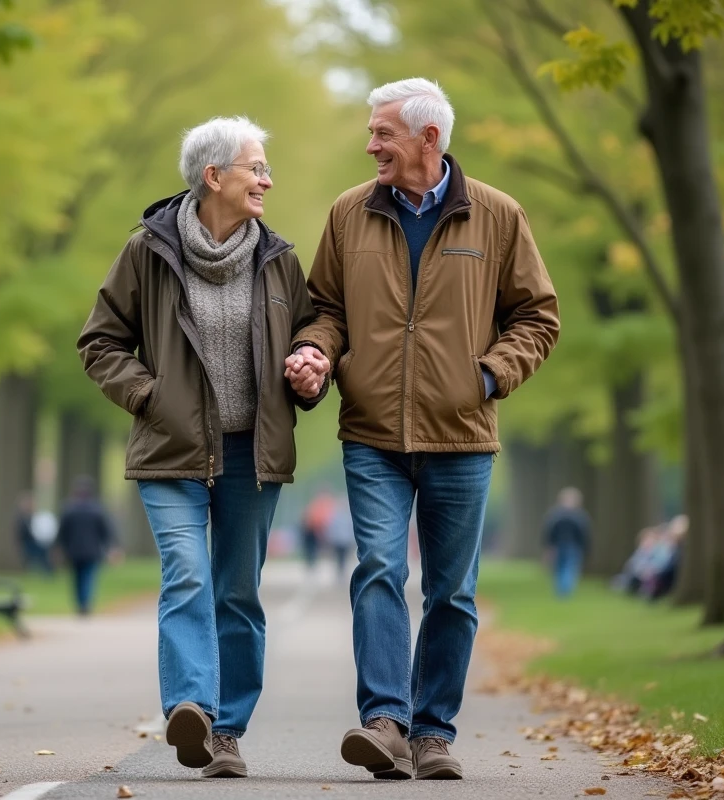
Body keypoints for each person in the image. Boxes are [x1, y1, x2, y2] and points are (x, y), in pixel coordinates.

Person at [285, 78, 560, 780]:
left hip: (462, 434)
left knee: (451, 591)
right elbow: (325, 307)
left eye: (383, 133)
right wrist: (317, 350)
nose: (370, 143)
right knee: (377, 567)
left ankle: (433, 732)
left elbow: (538, 316)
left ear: (428, 138)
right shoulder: (349, 213)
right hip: (372, 431)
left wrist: (489, 375)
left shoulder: (498, 216)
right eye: (371, 132)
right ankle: (384, 721)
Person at [78, 116, 322, 779]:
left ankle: (228, 732)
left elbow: (310, 337)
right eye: (256, 168)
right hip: (172, 450)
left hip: (252, 451)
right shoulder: (148, 252)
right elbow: (100, 343)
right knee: (186, 573)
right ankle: (191, 705)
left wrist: (310, 366)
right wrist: (151, 397)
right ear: (214, 177)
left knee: (237, 591)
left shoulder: (279, 261)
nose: (267, 180)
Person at [55, 477, 116, 616]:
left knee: (76, 578)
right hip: (92, 551)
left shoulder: (68, 510)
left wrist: (58, 548)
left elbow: (61, 532)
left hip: (73, 551)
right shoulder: (97, 510)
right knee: (88, 578)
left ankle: (80, 603)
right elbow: (106, 531)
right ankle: (85, 602)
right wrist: (111, 547)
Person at [543, 487, 592, 598]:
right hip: (568, 546)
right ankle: (565, 590)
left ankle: (562, 590)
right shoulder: (579, 516)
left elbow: (549, 532)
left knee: (563, 567)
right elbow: (584, 533)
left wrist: (549, 546)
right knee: (567, 567)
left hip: (566, 546)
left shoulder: (555, 515)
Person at [16, 493, 53, 575]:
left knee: (44, 555)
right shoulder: (21, 517)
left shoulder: (33, 516)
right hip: (27, 541)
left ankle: (48, 572)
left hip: (35, 541)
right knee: (35, 556)